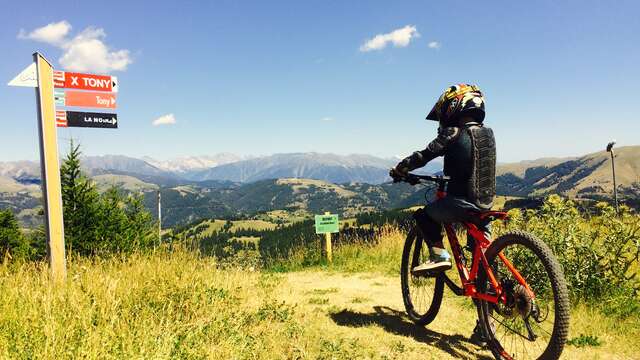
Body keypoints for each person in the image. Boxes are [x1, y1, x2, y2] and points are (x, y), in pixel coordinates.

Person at [389, 84, 496, 274]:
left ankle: (439, 255)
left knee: (423, 216)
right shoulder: (487, 133)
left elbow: (423, 156)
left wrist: (400, 169)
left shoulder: (453, 132)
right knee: (484, 254)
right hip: (486, 204)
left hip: (461, 202)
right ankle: (491, 290)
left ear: (453, 107)